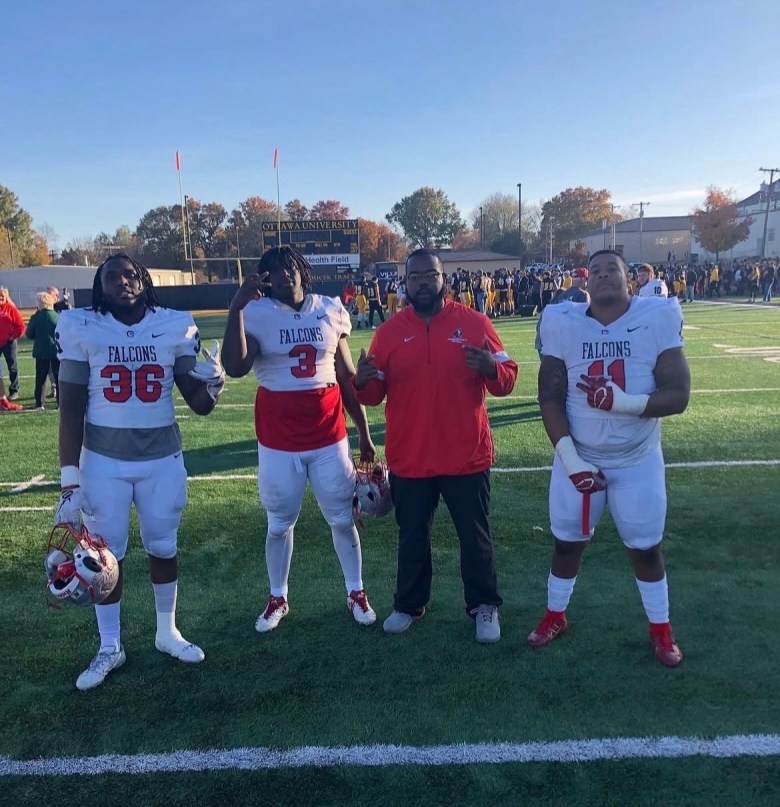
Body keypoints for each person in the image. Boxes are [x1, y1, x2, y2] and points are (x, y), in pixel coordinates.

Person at [55, 254, 225, 690]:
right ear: (100, 285)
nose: (122, 283)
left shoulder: (174, 324)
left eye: (130, 275)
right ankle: (110, 645)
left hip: (161, 459)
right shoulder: (81, 325)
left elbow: (199, 405)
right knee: (103, 557)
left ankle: (167, 632)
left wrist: (215, 384)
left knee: (164, 546)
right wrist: (69, 480)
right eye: (111, 277)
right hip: (104, 463)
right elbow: (71, 410)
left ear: (144, 281)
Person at [529, 248, 690, 667]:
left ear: (629, 278)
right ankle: (555, 614)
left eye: (611, 269)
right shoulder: (563, 321)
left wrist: (624, 403)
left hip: (636, 458)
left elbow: (678, 395)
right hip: (579, 455)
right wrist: (571, 460)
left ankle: (661, 628)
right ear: (586, 280)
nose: (602, 276)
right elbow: (549, 396)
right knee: (567, 543)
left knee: (646, 548)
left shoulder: (655, 317)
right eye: (595, 270)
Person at [353, 249, 518, 643]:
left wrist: (491, 369)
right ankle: (409, 604)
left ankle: (484, 606)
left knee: (475, 536)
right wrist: (361, 381)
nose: (423, 283)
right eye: (415, 277)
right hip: (411, 455)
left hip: (466, 454)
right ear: (405, 282)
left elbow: (508, 377)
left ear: (444, 278)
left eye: (431, 275)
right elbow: (374, 394)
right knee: (411, 536)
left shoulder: (475, 322)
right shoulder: (389, 332)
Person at [222, 246, 378, 633]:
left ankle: (356, 591)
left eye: (291, 268)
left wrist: (364, 430)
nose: (285, 275)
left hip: (328, 434)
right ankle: (278, 596)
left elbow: (346, 376)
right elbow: (236, 366)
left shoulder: (328, 308)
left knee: (342, 518)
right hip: (278, 438)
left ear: (302, 272)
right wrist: (235, 310)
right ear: (265, 278)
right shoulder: (256, 313)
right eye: (275, 271)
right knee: (278, 523)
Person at [25, 291, 60, 410]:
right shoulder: (57, 316)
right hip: (56, 351)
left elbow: (29, 334)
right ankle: (60, 402)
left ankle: (39, 403)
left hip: (41, 352)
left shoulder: (36, 317)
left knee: (40, 379)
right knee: (58, 377)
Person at [0, 286, 24, 401]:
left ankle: (14, 390)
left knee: (12, 367)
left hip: (9, 343)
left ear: (6, 296)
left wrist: (13, 336)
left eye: (2, 296)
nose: (0, 297)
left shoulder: (11, 309)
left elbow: (20, 326)